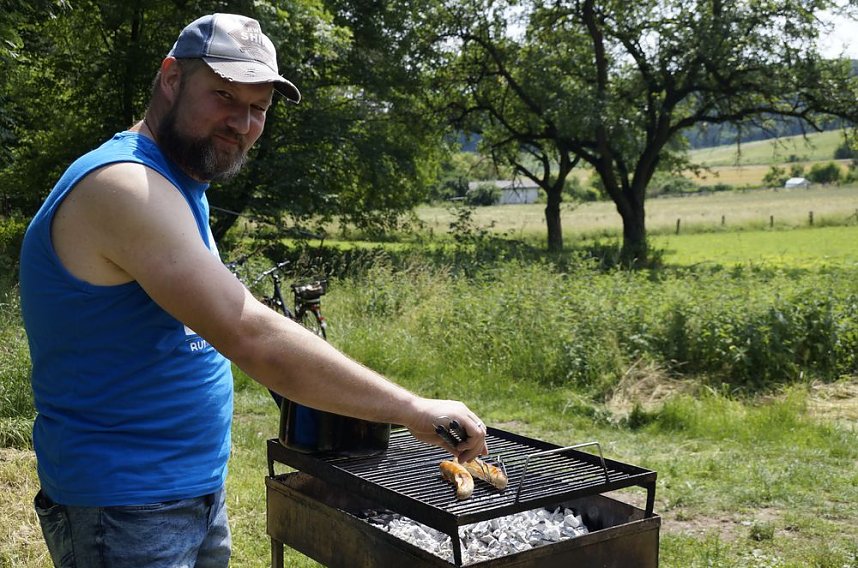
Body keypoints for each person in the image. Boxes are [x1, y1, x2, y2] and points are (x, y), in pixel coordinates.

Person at [18, 13, 488, 568]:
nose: (241, 123)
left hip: (188, 489)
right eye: (223, 95)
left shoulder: (179, 183)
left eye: (258, 107)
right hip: (123, 506)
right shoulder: (126, 185)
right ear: (171, 78)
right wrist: (411, 408)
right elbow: (247, 332)